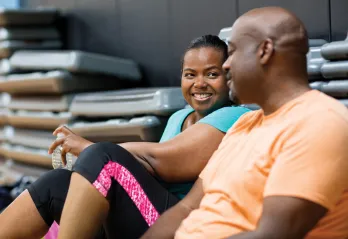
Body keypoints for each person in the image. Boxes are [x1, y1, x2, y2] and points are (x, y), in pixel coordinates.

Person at [0, 35, 249, 239]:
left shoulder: (233, 116)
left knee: (104, 158)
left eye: (212, 74)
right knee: (56, 183)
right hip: (144, 212)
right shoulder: (179, 118)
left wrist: (89, 150)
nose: (199, 83)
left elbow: (162, 163)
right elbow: (148, 170)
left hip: (178, 225)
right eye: (190, 74)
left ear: (228, 79)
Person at [140, 7, 348, 239]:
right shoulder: (244, 124)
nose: (226, 65)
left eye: (233, 52)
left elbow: (273, 234)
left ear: (265, 51)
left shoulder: (319, 122)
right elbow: (186, 209)